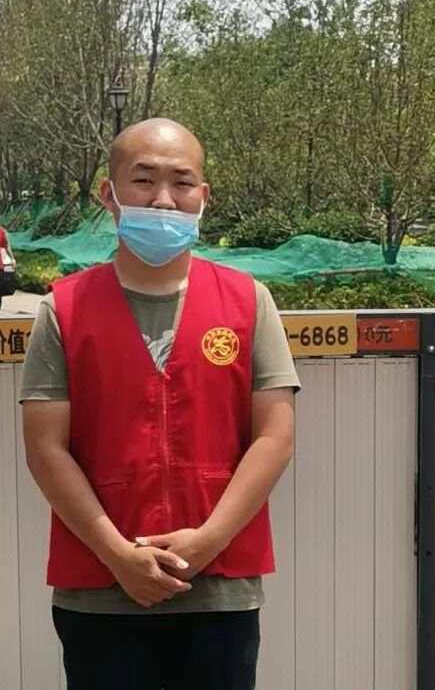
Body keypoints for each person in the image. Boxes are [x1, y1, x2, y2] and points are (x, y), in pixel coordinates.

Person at [19, 118, 300, 690]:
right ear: (110, 194)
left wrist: (209, 540)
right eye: (144, 180)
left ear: (204, 196)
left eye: (182, 182)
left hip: (219, 590)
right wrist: (117, 554)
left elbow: (274, 436)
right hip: (100, 591)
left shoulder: (248, 302)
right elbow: (46, 448)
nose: (164, 199)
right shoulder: (64, 311)